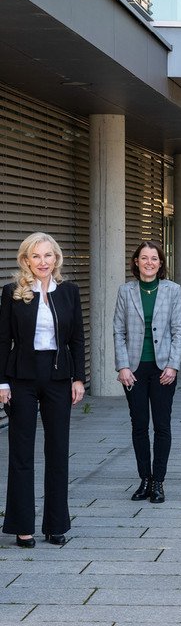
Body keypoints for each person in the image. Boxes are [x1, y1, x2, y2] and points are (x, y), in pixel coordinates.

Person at [0, 232, 85, 547]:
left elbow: (77, 338)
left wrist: (78, 379)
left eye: (48, 255)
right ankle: (23, 527)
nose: (43, 262)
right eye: (36, 256)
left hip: (58, 376)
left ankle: (56, 525)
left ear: (56, 259)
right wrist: (2, 382)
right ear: (26, 260)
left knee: (58, 451)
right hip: (21, 377)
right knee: (21, 453)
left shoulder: (69, 293)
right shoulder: (12, 292)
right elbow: (2, 338)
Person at [113, 241, 181, 504]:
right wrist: (122, 366)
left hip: (163, 367)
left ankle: (159, 482)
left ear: (161, 263)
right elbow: (118, 330)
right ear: (136, 262)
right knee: (139, 424)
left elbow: (179, 330)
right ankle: (144, 478)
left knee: (162, 425)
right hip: (134, 369)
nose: (149, 262)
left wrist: (173, 365)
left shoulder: (172, 290)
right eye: (144, 258)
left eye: (154, 258)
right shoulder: (125, 291)